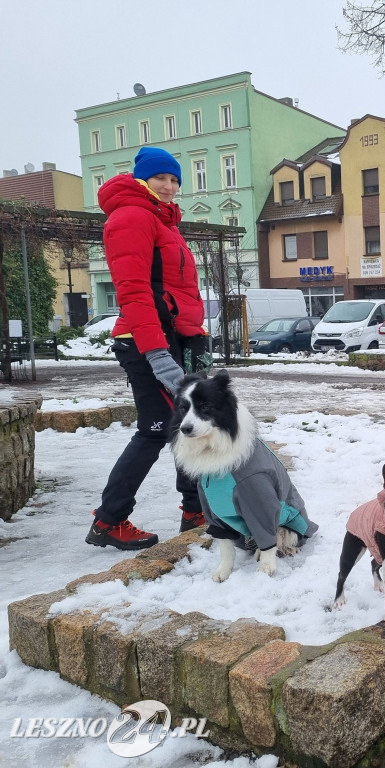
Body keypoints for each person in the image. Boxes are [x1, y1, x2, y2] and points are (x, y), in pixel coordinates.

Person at [86, 147, 212, 550]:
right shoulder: (132, 217)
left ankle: (194, 510)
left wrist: (193, 333)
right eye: (161, 178)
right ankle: (110, 519)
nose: (170, 186)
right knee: (156, 430)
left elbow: (177, 289)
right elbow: (134, 291)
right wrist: (158, 354)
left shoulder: (164, 221)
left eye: (175, 179)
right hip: (148, 340)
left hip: (175, 336)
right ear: (142, 179)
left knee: (184, 429)